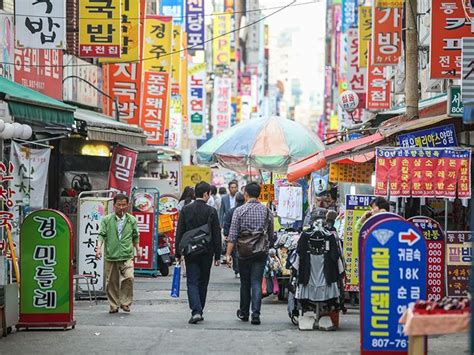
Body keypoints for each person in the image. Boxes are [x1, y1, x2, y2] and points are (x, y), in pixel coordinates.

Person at [226, 182, 274, 325]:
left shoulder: (239, 211)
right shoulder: (267, 211)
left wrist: (228, 254)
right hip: (261, 252)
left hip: (243, 252)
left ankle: (244, 312)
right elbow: (271, 235)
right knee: (256, 282)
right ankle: (256, 314)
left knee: (245, 283)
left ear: (246, 193)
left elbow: (233, 235)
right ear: (259, 194)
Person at [175, 181, 222, 324]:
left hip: (190, 251)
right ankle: (199, 309)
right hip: (206, 251)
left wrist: (178, 253)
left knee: (192, 281)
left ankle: (196, 310)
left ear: (196, 193)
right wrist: (218, 255)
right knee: (203, 281)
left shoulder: (186, 210)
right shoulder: (211, 211)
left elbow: (180, 232)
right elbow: (216, 234)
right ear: (206, 194)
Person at [96, 193, 141, 314]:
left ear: (127, 205)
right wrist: (98, 248)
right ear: (114, 205)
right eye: (119, 205)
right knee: (111, 282)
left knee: (129, 277)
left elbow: (135, 236)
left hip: (127, 254)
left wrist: (138, 248)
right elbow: (101, 234)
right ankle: (113, 305)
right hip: (111, 255)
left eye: (124, 205)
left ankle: (125, 303)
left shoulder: (131, 220)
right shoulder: (107, 220)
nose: (121, 207)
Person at [222, 192, 245, 278]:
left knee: (235, 254)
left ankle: (237, 270)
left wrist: (226, 234)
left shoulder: (231, 211)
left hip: (234, 236)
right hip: (245, 236)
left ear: (236, 200)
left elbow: (226, 224)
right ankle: (242, 270)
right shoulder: (245, 210)